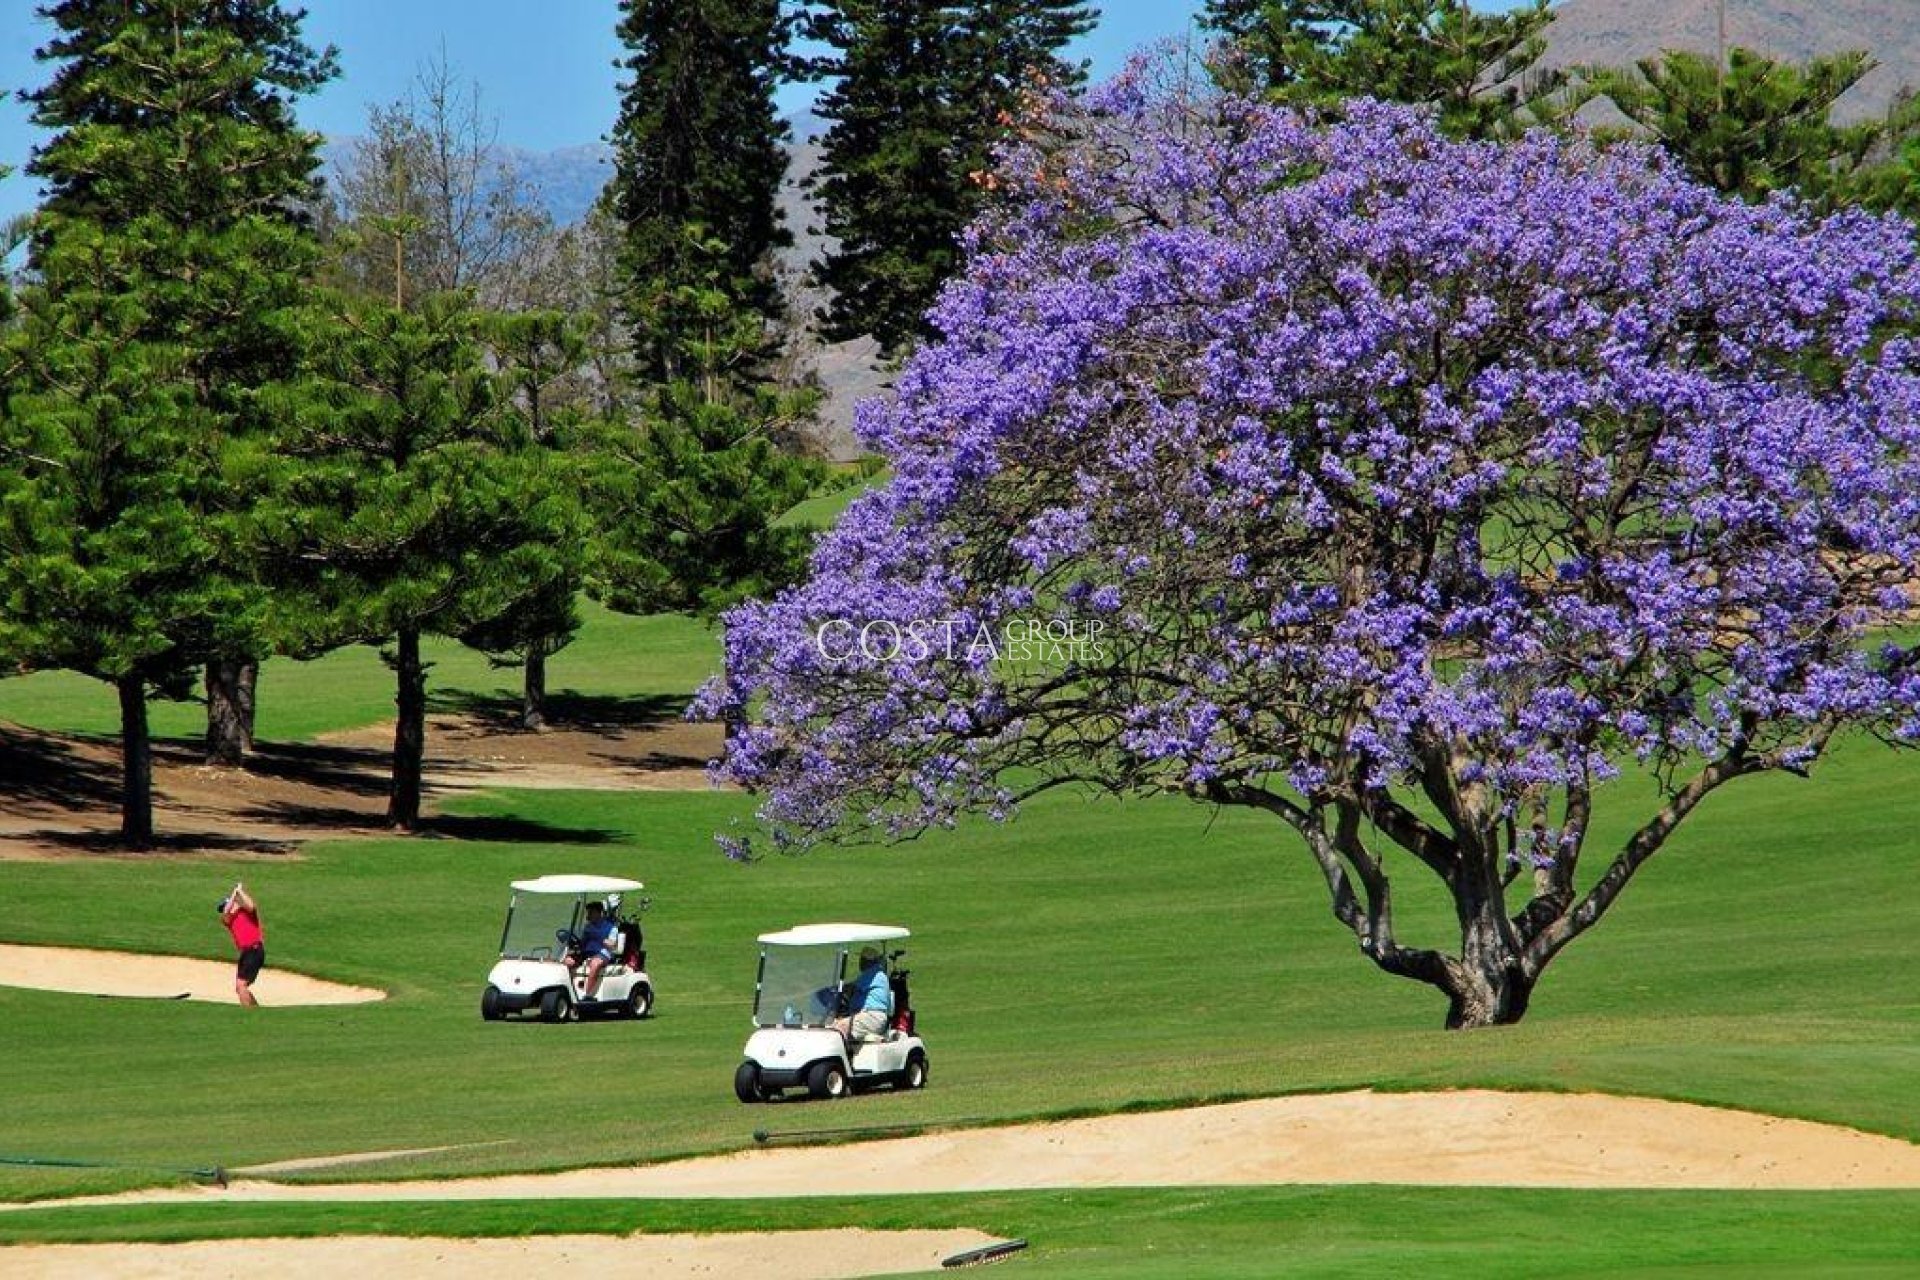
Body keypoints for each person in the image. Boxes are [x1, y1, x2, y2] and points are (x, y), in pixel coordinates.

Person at [216, 882, 265, 1008]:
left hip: (254, 950)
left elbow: (252, 905)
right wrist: (234, 893)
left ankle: (249, 1014)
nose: (227, 909)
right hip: (246, 953)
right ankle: (257, 1010)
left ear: (236, 904)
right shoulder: (228, 920)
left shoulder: (247, 913)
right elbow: (225, 913)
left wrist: (240, 892)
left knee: (241, 985)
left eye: (228, 905)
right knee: (240, 988)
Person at [833, 945, 894, 1043]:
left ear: (868, 962)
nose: (860, 963)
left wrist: (833, 990)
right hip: (869, 1016)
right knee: (837, 1024)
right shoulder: (877, 974)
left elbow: (850, 988)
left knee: (839, 1028)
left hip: (871, 1016)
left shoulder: (873, 973)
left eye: (862, 960)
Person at [563, 900, 618, 998]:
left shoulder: (611, 927)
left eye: (591, 912)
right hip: (587, 952)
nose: (588, 915)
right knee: (567, 961)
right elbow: (582, 943)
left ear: (599, 913)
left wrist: (599, 937)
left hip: (602, 953)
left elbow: (612, 945)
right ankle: (568, 991)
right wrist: (574, 944)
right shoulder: (588, 927)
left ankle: (588, 995)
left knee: (595, 964)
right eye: (588, 912)